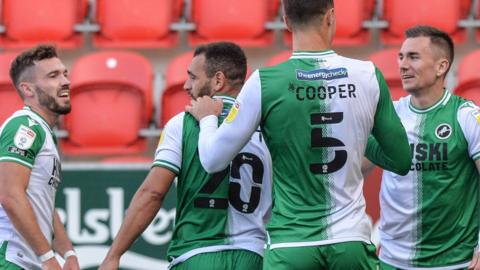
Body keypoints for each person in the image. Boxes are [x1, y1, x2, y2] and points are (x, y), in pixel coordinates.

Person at [185, 0, 412, 269]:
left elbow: (213, 160)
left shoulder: (264, 82)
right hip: (350, 241)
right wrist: (359, 135)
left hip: (291, 244)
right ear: (330, 16)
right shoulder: (367, 75)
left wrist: (209, 118)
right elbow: (400, 160)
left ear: (286, 21)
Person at [99, 42, 272, 270]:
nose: (185, 85)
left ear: (218, 81)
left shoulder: (183, 125)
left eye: (193, 77)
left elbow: (152, 193)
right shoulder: (269, 129)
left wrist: (113, 255)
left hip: (197, 256)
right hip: (254, 258)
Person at [363, 25, 480, 270]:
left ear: (441, 66)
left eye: (413, 57)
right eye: (401, 57)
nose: (403, 65)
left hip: (454, 262)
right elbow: (355, 169)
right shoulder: (389, 116)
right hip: (392, 261)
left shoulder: (467, 116)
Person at [0, 45, 79, 270]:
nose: (65, 81)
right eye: (53, 76)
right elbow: (10, 196)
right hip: (11, 259)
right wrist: (48, 258)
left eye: (65, 73)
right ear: (28, 89)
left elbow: (40, 203)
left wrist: (68, 253)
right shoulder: (25, 126)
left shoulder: (42, 131)